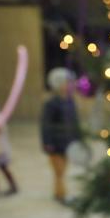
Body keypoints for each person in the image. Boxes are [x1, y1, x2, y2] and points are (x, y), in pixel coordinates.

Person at [41, 67, 81, 204]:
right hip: (56, 143)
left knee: (63, 170)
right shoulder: (51, 104)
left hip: (67, 142)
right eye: (67, 82)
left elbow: (75, 121)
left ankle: (60, 193)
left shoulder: (70, 101)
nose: (70, 85)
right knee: (59, 171)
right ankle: (61, 195)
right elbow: (45, 125)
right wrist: (47, 142)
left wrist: (78, 137)